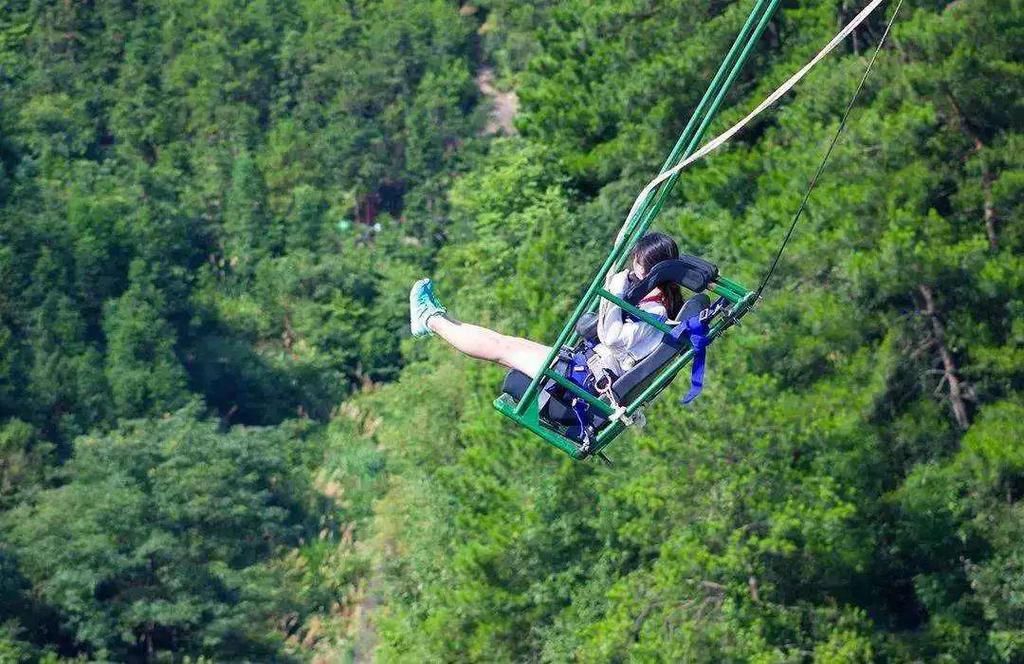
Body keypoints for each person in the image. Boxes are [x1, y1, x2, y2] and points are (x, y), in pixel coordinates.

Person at [409, 232, 685, 379]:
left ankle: (430, 320)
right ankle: (436, 318)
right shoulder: (654, 303)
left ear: (645, 267)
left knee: (500, 348)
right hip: (589, 365)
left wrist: (614, 289)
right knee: (505, 342)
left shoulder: (655, 311)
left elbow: (612, 339)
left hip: (590, 378)